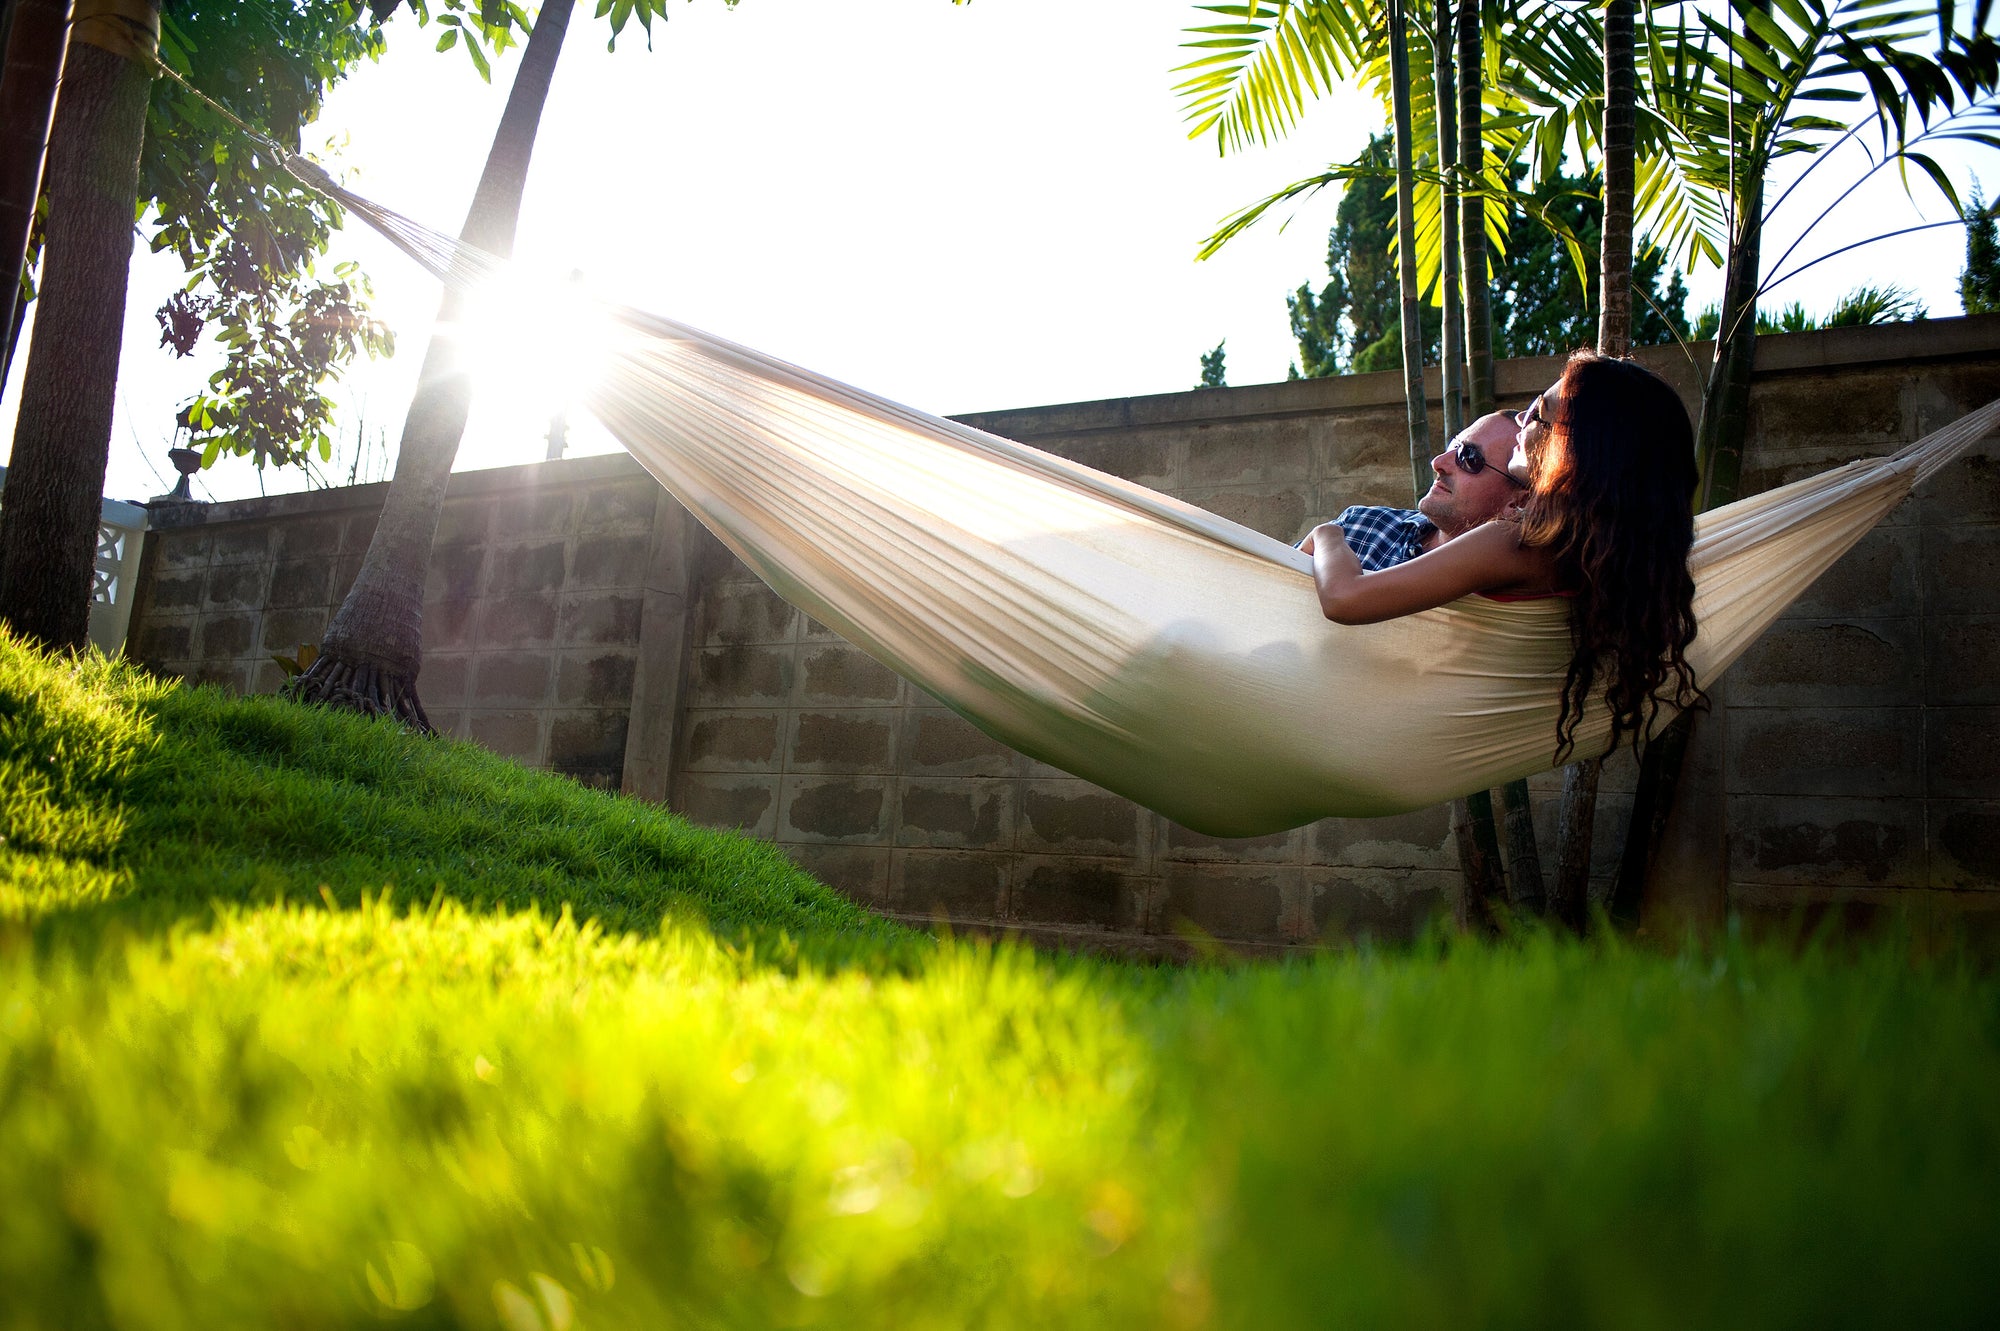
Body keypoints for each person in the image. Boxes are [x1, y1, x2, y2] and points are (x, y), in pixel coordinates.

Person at [1300, 350, 1703, 759]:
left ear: (1582, 449)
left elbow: (1345, 597)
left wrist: (1328, 533)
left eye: (1540, 413)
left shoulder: (1515, 543)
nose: (1522, 421)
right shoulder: (1591, 561)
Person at [1325, 410, 1534, 572]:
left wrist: (1325, 536)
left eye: (1469, 458)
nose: (1438, 462)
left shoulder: (1513, 578)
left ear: (1518, 503)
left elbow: (1343, 597)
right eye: (1453, 446)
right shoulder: (1359, 524)